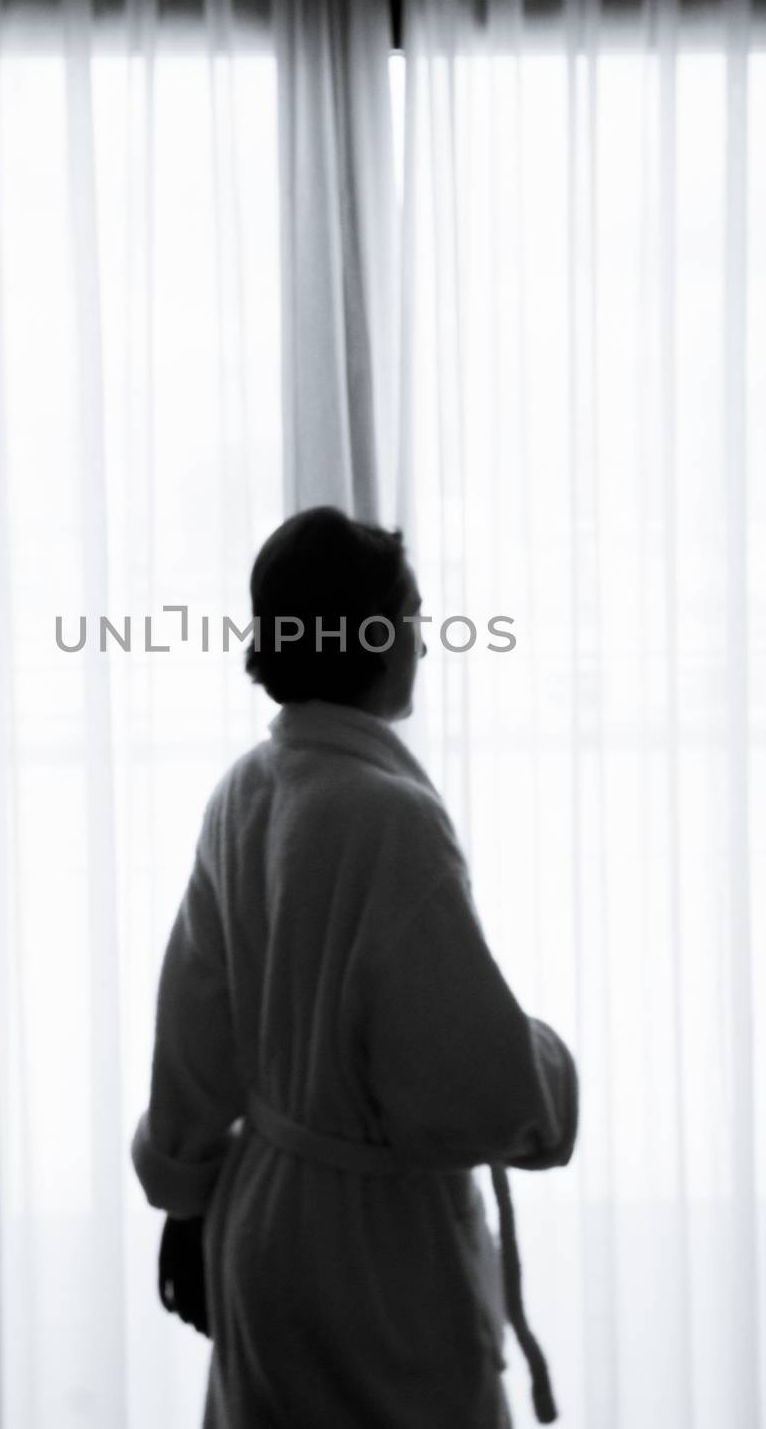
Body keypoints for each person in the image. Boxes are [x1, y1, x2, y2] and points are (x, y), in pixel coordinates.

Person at [131, 506, 578, 1429]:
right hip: (370, 1266)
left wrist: (186, 1203)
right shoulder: (389, 819)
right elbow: (461, 1084)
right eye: (410, 613)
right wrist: (548, 1071)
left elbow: (192, 1028)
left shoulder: (247, 792)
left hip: (259, 1231)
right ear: (369, 636)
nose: (422, 636)